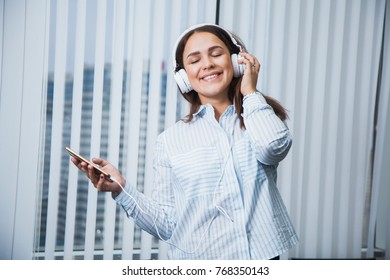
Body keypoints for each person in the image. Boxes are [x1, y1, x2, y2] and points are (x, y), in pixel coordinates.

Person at [71, 23, 298, 259]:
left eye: (216, 54)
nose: (207, 64)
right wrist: (120, 188)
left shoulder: (258, 116)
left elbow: (274, 146)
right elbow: (167, 225)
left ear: (235, 60)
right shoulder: (170, 140)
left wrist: (250, 91)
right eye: (194, 60)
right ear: (184, 76)